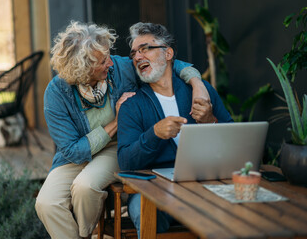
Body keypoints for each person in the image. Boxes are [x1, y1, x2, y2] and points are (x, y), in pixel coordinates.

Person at [35, 21, 210, 239]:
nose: (110, 62)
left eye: (108, 55)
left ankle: (84, 234)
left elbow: (169, 62)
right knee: (46, 203)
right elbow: (72, 151)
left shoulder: (119, 69)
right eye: (102, 61)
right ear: (83, 68)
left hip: (114, 148)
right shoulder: (56, 93)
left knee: (85, 186)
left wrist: (197, 82)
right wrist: (116, 121)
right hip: (74, 156)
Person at [117, 22, 233, 236]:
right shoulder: (131, 106)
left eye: (145, 48)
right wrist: (154, 134)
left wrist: (210, 121)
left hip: (203, 182)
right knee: (141, 209)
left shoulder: (201, 92)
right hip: (154, 189)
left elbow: (234, 143)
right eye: (134, 53)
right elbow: (125, 162)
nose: (137, 57)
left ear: (168, 53)